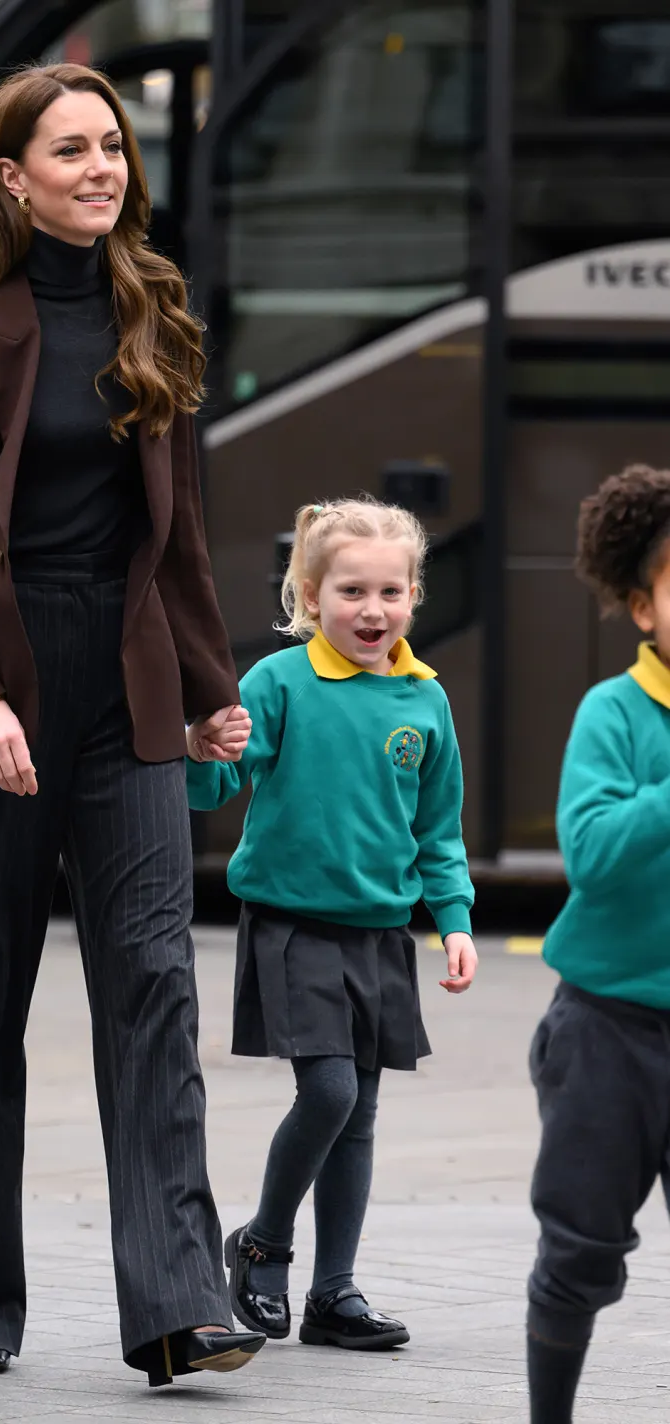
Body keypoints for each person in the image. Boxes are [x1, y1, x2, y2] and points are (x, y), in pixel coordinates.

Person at [0, 64, 265, 1387]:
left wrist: (210, 686)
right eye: (74, 150)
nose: (105, 168)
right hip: (3, 682)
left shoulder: (153, 305)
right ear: (10, 175)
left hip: (126, 685)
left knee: (153, 987)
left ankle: (180, 1305)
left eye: (114, 147)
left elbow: (178, 528)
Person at [187, 498, 478, 1350]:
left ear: (415, 597)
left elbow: (439, 828)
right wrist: (203, 748)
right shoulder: (276, 683)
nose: (373, 609)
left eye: (392, 591)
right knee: (331, 1090)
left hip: (383, 936)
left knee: (361, 1115)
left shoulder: (426, 701)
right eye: (352, 590)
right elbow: (212, 791)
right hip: (292, 926)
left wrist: (453, 921)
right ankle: (264, 1243)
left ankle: (334, 1295)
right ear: (310, 597)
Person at [525, 465, 670, 1424]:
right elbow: (596, 852)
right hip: (608, 1031)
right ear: (640, 603)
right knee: (580, 1250)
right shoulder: (613, 715)